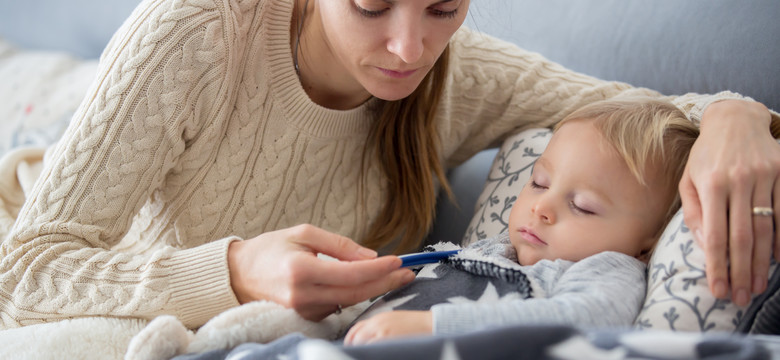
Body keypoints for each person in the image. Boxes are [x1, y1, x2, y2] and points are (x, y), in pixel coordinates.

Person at [0, 0, 777, 331]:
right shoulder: (198, 33)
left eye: (443, 6)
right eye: (372, 6)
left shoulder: (457, 75)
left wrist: (743, 115)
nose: (411, 50)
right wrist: (234, 270)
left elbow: (651, 114)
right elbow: (24, 272)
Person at [342, 97, 700, 345]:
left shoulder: (607, 270)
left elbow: (586, 319)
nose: (541, 206)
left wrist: (435, 327)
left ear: (646, 245)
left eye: (583, 206)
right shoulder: (496, 248)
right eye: (539, 183)